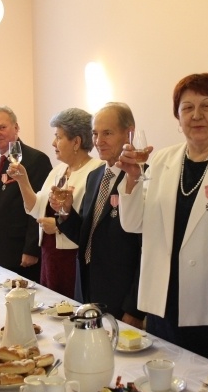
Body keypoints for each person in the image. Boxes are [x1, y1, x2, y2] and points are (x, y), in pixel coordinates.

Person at [117, 73, 208, 366]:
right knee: (165, 388)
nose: (196, 115)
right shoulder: (162, 160)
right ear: (178, 116)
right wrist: (132, 180)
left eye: (207, 106)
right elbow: (133, 224)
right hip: (163, 303)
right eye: (187, 108)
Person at [54, 102, 144, 326]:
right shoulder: (95, 177)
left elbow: (148, 250)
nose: (98, 141)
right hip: (86, 290)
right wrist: (65, 212)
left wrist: (134, 309)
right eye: (95, 134)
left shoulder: (142, 178)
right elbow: (86, 236)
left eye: (107, 133)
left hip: (121, 299)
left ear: (129, 132)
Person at [8, 108, 102, 297]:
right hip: (50, 255)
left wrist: (59, 227)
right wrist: (22, 181)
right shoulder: (58, 171)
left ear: (76, 141)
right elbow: (36, 209)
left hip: (72, 258)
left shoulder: (96, 172)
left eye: (58, 137)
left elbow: (92, 225)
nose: (53, 143)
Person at [0, 106, 52, 282]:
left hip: (20, 252)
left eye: (1, 127)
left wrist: (31, 249)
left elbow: (41, 207)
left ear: (16, 127)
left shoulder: (36, 159)